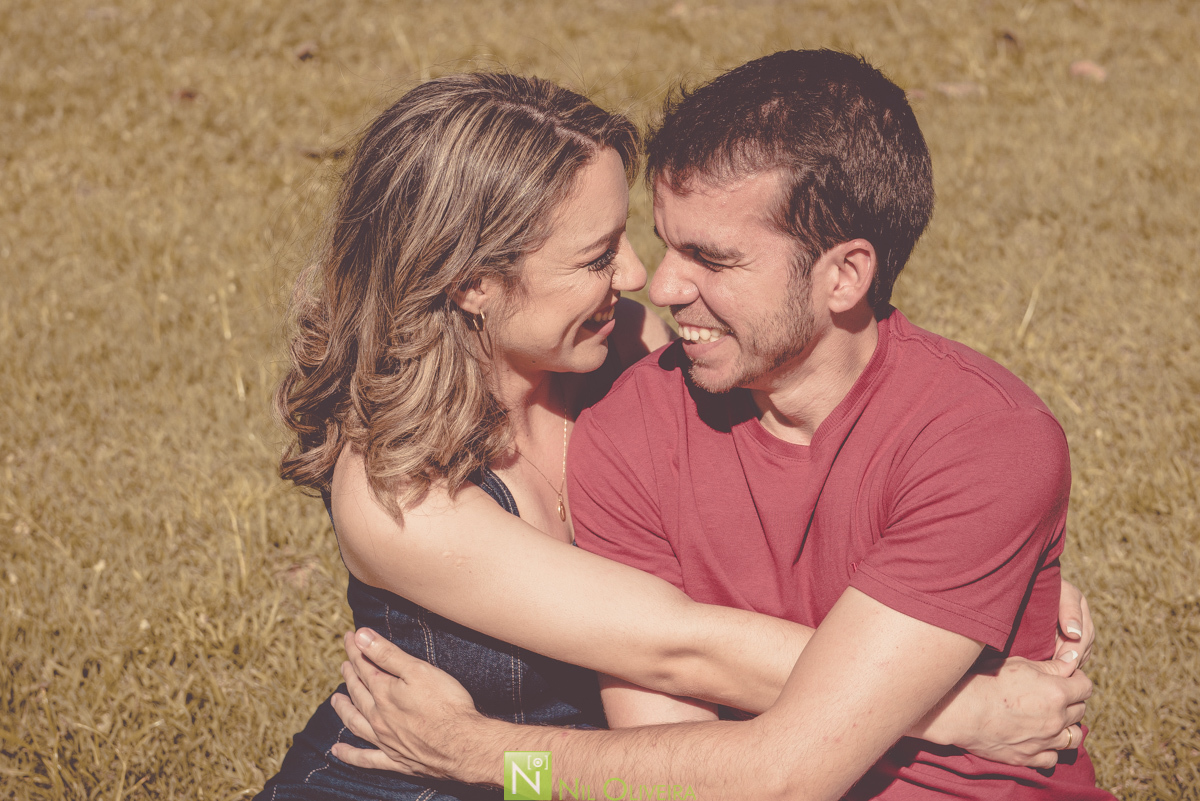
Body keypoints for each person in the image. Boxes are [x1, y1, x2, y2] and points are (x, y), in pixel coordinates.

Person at [258, 70, 1096, 801]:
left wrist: (979, 587)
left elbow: (824, 385)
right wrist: (956, 699)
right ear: (473, 283)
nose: (639, 278)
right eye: (596, 257)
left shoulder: (625, 354)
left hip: (585, 771)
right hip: (426, 772)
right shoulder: (396, 492)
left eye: (628, 236)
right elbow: (679, 648)